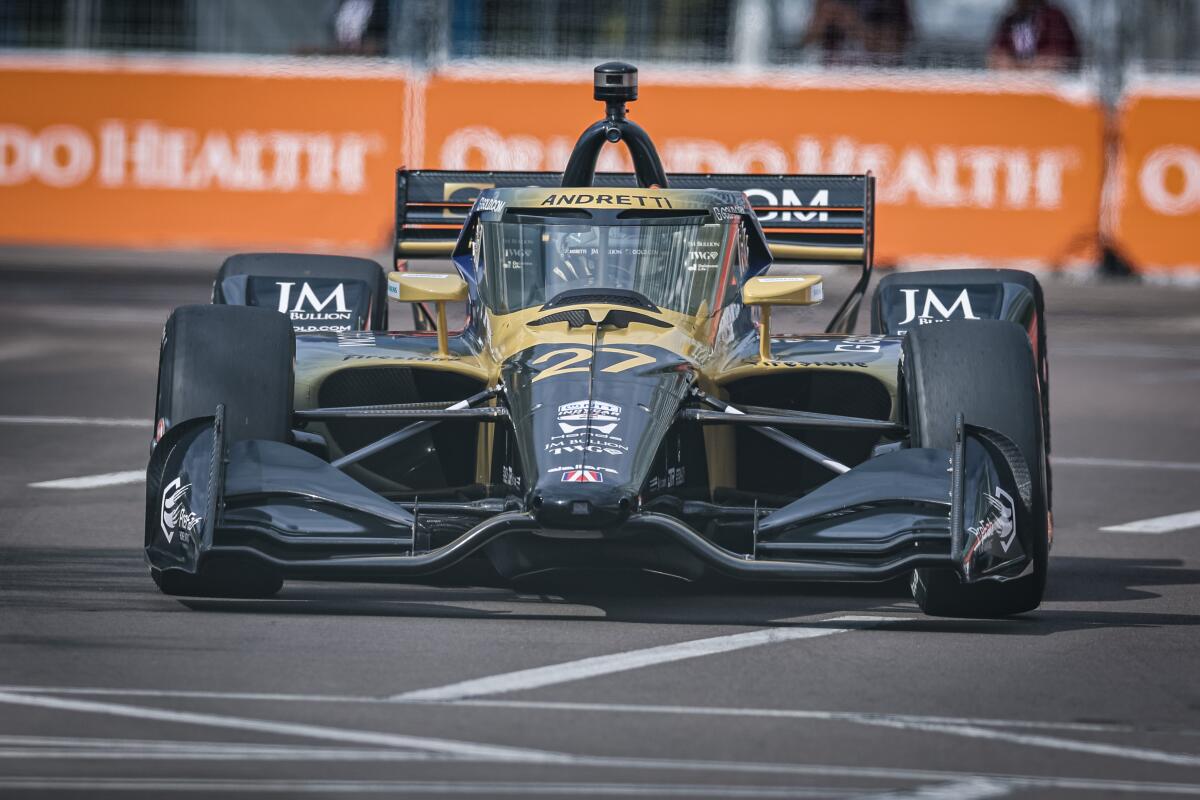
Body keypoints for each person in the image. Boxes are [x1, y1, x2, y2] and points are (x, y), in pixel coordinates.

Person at [988, 0, 1080, 71]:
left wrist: (1021, 67)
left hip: (1049, 88)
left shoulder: (1055, 17)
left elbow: (1056, 58)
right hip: (1015, 85)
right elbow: (996, 56)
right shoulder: (1009, 19)